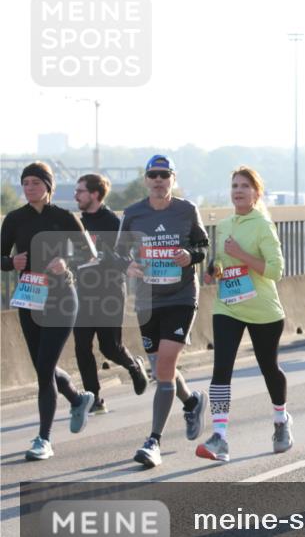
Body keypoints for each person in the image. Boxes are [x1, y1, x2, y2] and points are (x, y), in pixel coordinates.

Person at [114, 155, 209, 467]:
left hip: (181, 297)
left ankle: (153, 440)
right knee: (160, 371)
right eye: (153, 175)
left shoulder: (186, 210)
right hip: (147, 300)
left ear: (172, 179)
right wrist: (127, 265)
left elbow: (203, 247)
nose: (158, 180)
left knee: (166, 363)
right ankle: (192, 401)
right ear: (146, 180)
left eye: (164, 175)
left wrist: (189, 255)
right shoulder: (133, 214)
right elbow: (117, 253)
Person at [1, 162, 96, 460]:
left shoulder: (64, 217)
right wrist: (10, 263)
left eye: (36, 182)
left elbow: (89, 254)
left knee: (44, 370)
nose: (30, 188)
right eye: (25, 183)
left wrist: (67, 262)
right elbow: (1, 256)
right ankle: (78, 398)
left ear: (48, 186)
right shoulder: (15, 219)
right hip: (30, 296)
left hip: (62, 298)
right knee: (44, 366)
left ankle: (44, 439)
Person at [196, 166, 291, 462]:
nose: (238, 190)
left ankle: (281, 419)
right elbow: (221, 265)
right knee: (221, 370)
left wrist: (241, 254)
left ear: (256, 193)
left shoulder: (263, 225)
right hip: (229, 305)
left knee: (269, 370)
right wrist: (214, 271)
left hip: (263, 309)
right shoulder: (223, 225)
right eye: (234, 185)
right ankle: (220, 437)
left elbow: (276, 270)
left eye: (245, 186)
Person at [73, 173, 149, 414]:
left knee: (110, 348)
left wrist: (103, 257)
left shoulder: (114, 223)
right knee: (82, 346)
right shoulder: (77, 223)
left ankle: (134, 366)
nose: (76, 195)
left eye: (80, 191)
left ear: (94, 194)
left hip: (110, 292)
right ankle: (94, 398)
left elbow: (126, 258)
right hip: (83, 293)